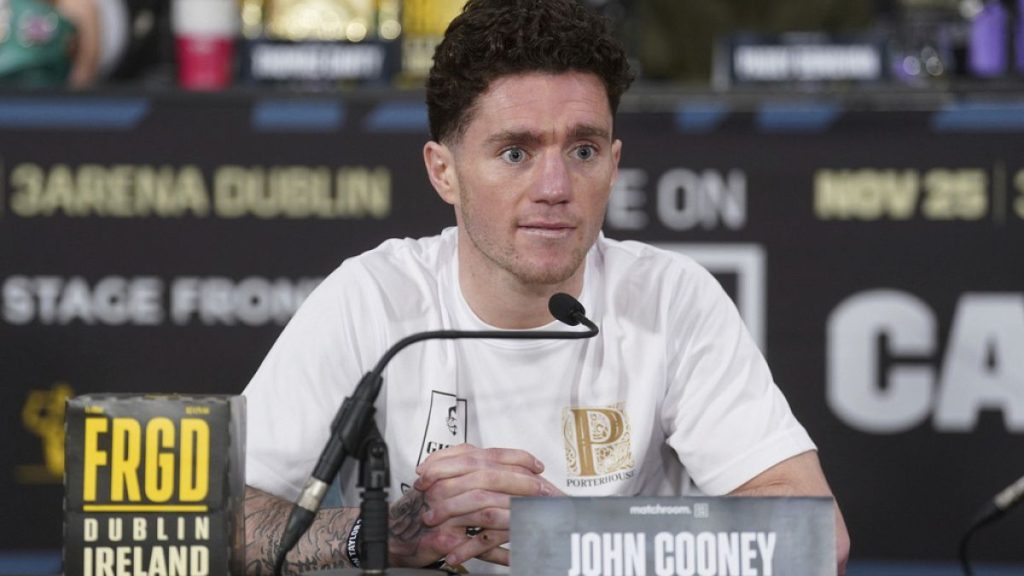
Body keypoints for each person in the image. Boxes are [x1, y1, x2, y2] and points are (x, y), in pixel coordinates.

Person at [242, 0, 851, 574]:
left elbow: (819, 542)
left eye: (583, 149)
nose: (555, 186)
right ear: (443, 172)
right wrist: (381, 533)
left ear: (613, 166)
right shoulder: (373, 298)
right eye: (515, 153)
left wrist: (579, 534)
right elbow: (219, 528)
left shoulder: (670, 298)